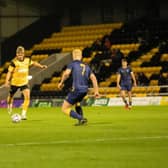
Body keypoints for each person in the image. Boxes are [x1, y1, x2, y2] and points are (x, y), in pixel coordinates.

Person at [58, 48, 99, 126]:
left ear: (73, 55)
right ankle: (81, 120)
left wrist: (61, 82)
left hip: (77, 89)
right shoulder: (86, 66)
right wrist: (96, 91)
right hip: (84, 90)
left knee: (64, 108)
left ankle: (81, 118)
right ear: (81, 56)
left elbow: (66, 74)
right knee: (77, 103)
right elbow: (94, 78)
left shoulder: (72, 64)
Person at [5, 46, 47, 119]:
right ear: (16, 54)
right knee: (10, 97)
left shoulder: (27, 60)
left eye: (21, 54)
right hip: (15, 82)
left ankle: (23, 114)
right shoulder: (14, 62)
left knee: (27, 97)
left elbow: (34, 63)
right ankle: (9, 105)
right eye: (18, 54)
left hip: (24, 82)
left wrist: (41, 66)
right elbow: (9, 72)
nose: (20, 56)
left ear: (23, 54)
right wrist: (6, 81)